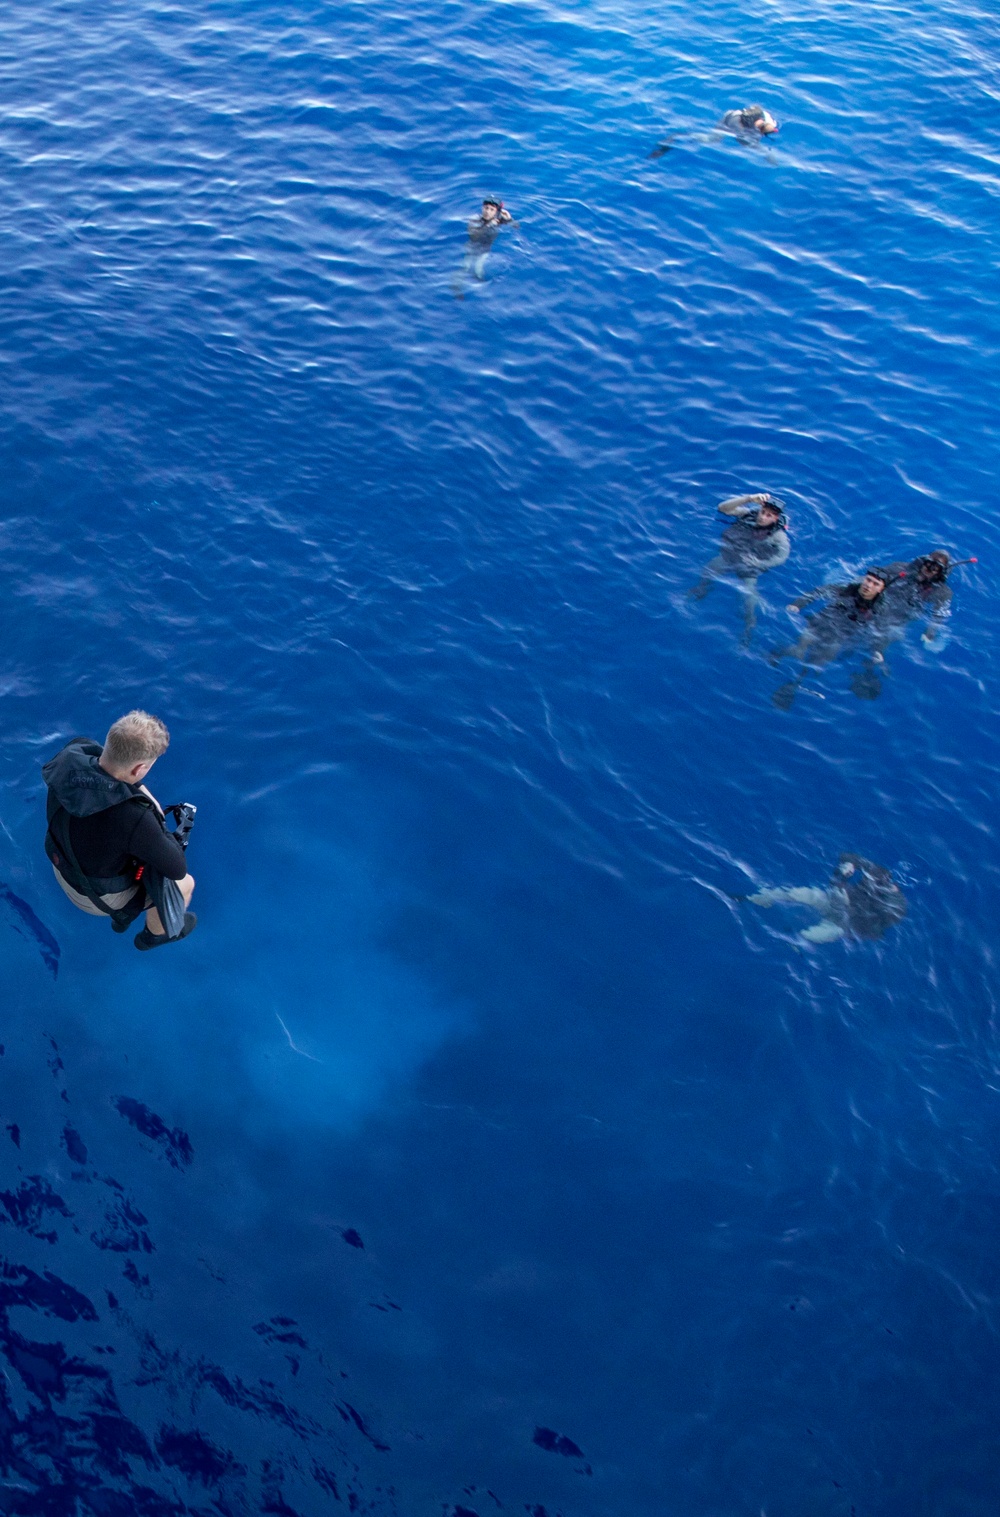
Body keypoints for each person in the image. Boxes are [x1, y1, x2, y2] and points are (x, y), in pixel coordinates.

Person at [42, 711, 197, 952]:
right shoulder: (134, 817)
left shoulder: (72, 754)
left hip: (59, 863)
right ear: (139, 770)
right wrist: (152, 809)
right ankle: (154, 936)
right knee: (184, 884)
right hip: (93, 898)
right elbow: (177, 867)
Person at [768, 566, 900, 708]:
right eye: (868, 580)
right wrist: (797, 605)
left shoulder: (880, 608)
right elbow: (818, 592)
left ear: (881, 589)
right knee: (800, 646)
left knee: (818, 662)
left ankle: (795, 684)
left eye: (875, 584)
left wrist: (878, 651)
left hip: (841, 636)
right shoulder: (847, 590)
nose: (869, 585)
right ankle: (777, 656)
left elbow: (883, 630)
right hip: (821, 623)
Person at [737, 854, 907, 945]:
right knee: (793, 893)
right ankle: (750, 899)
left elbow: (871, 929)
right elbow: (848, 856)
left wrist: (845, 908)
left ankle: (785, 942)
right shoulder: (875, 875)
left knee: (811, 937)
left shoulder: (895, 906)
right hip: (834, 900)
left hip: (844, 924)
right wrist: (849, 865)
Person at [688, 492, 790, 644]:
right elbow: (722, 508)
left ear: (776, 518)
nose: (762, 517)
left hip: (751, 565)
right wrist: (748, 499)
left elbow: (782, 557)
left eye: (768, 516)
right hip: (731, 556)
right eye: (763, 512)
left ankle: (749, 625)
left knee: (749, 596)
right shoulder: (748, 514)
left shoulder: (779, 536)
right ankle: (699, 591)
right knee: (707, 571)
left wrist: (760, 564)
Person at [883, 550, 956, 646]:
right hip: (885, 600)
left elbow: (939, 615)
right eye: (928, 564)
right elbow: (875, 576)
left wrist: (930, 633)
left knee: (887, 634)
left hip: (904, 613)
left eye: (935, 568)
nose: (928, 569)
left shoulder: (942, 592)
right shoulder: (899, 568)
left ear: (940, 572)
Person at [452, 198, 516, 297]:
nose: (487, 212)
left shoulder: (499, 220)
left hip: (485, 249)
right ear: (482, 208)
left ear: (496, 212)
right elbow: (474, 236)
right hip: (472, 247)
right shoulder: (475, 219)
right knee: (465, 267)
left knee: (478, 271)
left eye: (491, 210)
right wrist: (489, 226)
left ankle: (480, 292)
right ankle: (456, 287)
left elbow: (516, 227)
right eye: (486, 208)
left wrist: (509, 219)